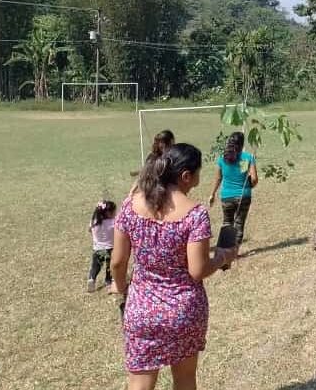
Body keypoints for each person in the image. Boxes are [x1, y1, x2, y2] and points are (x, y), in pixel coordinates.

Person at [111, 143, 237, 390]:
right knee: (185, 379)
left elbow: (117, 261)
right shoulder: (195, 214)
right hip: (184, 312)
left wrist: (122, 288)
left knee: (139, 383)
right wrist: (223, 256)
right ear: (186, 176)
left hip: (141, 310)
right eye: (198, 174)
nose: (198, 180)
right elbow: (198, 270)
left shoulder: (129, 206)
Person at [207, 132, 258, 246]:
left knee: (227, 223)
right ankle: (235, 252)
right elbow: (254, 179)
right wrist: (249, 186)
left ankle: (225, 251)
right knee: (239, 224)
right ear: (242, 143)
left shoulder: (222, 158)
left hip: (226, 196)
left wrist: (212, 193)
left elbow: (218, 178)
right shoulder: (247, 158)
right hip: (243, 196)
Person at [131, 130, 175, 196]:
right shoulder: (156, 158)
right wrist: (132, 192)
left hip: (163, 192)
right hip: (158, 193)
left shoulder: (174, 156)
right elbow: (143, 175)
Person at [86, 200, 117, 293]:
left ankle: (92, 278)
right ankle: (108, 281)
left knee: (95, 266)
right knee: (109, 267)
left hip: (97, 249)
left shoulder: (94, 221)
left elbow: (89, 230)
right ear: (108, 213)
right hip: (110, 249)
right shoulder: (113, 222)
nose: (115, 213)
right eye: (114, 211)